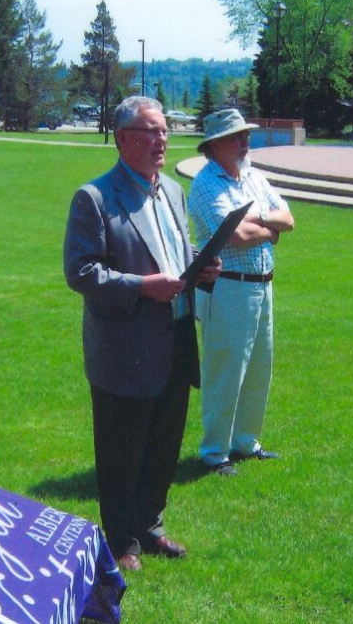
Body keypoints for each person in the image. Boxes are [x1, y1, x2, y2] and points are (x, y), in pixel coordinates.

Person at [63, 96, 218, 572]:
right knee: (120, 448)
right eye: (151, 131)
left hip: (173, 339)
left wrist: (200, 268)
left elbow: (178, 246)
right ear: (123, 138)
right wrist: (142, 287)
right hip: (124, 348)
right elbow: (80, 272)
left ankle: (151, 526)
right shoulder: (94, 198)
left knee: (164, 441)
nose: (163, 139)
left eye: (165, 130)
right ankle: (121, 539)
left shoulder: (172, 190)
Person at [188, 109, 294, 476]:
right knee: (225, 371)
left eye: (245, 134)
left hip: (262, 286)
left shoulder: (253, 177)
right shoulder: (206, 184)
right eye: (237, 136)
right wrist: (268, 225)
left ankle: (246, 443)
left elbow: (289, 219)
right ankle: (215, 452)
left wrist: (257, 219)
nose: (245, 141)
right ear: (215, 145)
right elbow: (234, 234)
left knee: (258, 369)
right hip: (227, 286)